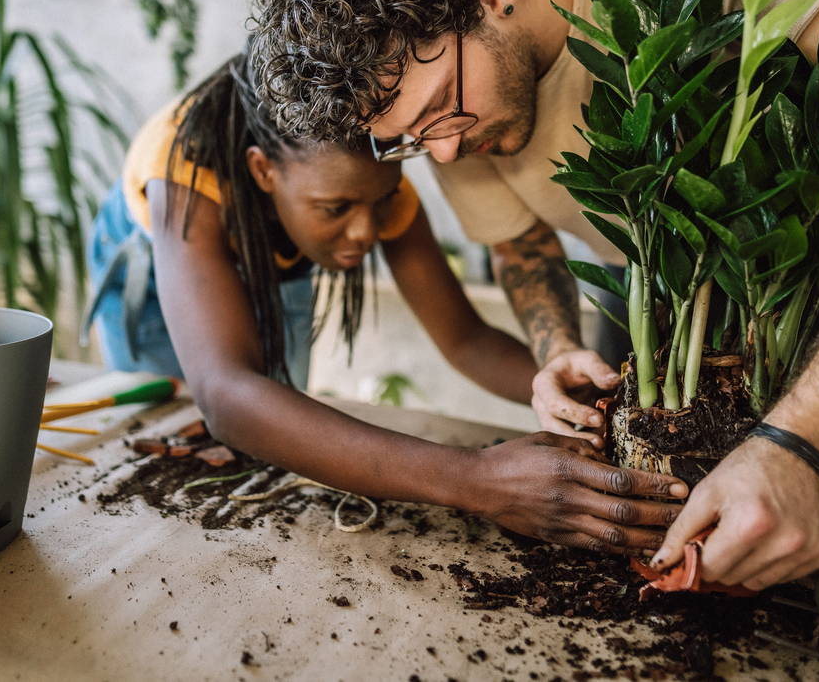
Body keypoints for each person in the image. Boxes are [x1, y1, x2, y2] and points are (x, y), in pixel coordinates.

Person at [246, 0, 819, 591]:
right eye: (407, 139)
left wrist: (801, 445)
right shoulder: (446, 98)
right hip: (652, 318)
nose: (439, 152)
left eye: (439, 110)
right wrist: (555, 348)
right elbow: (519, 240)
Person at [86, 50, 691, 550]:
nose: (366, 233)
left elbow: (465, 339)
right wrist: (475, 479)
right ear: (263, 171)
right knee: (173, 448)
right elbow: (227, 395)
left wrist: (574, 395)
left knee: (270, 441)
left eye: (379, 202)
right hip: (155, 264)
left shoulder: (367, 188)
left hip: (276, 250)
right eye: (336, 210)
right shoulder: (185, 169)